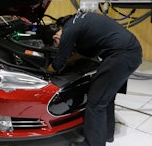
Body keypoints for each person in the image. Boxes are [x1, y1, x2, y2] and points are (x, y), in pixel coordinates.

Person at [46, 11, 142, 146]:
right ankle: (106, 134)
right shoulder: (79, 21)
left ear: (56, 35)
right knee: (105, 98)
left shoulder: (68, 30)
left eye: (56, 44)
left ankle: (93, 143)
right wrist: (67, 61)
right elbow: (83, 53)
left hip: (121, 55)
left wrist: (46, 70)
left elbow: (59, 62)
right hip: (130, 51)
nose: (59, 44)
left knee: (96, 102)